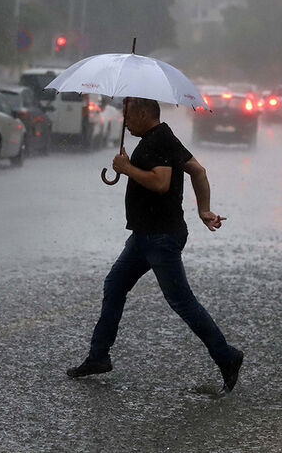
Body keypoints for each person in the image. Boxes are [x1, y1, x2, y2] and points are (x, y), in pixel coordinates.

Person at [66, 97, 244, 393]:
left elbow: (161, 183)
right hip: (144, 236)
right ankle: (99, 357)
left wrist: (126, 168)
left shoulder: (156, 141)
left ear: (144, 112)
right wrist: (203, 210)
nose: (125, 121)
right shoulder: (162, 136)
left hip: (160, 237)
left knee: (182, 302)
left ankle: (227, 355)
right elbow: (198, 171)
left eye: (127, 115)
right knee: (114, 286)